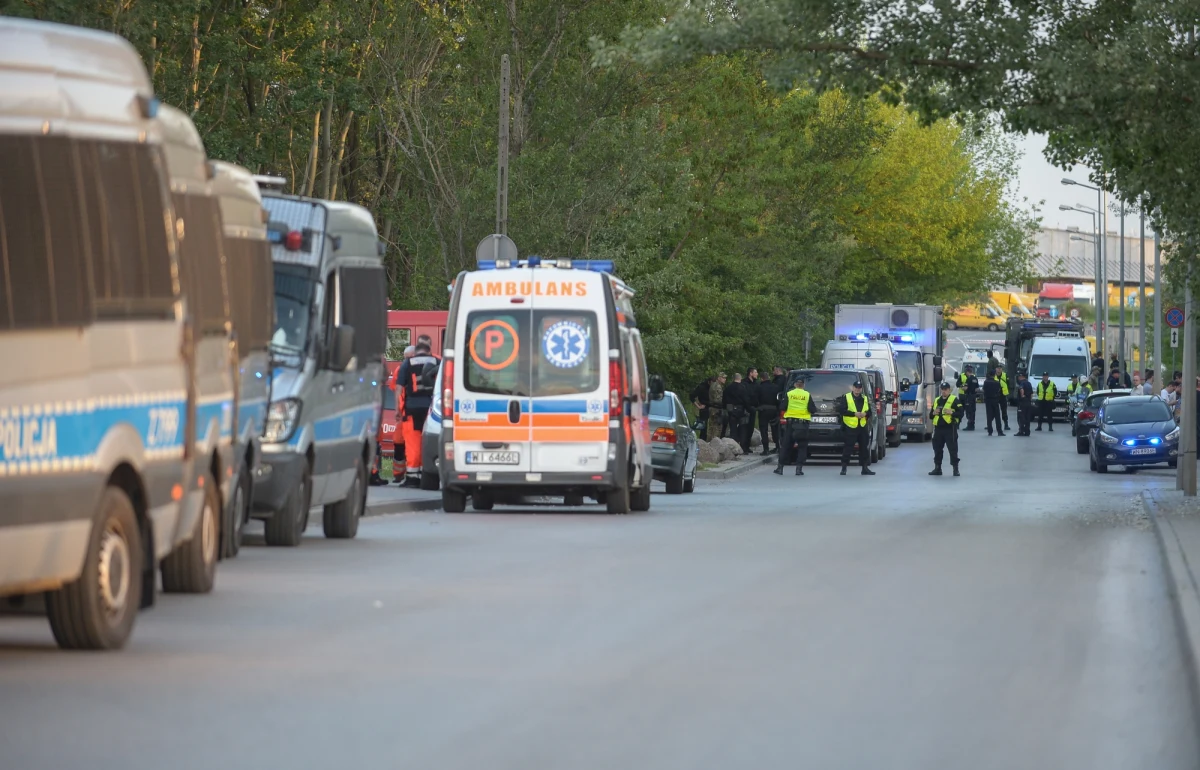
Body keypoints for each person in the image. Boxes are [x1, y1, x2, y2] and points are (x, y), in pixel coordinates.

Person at [396, 341, 439, 486]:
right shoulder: (437, 362)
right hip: (433, 410)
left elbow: (399, 387)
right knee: (429, 442)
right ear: (429, 350)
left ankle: (413, 478)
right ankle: (429, 476)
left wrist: (397, 409)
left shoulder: (407, 363)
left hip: (412, 408)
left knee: (413, 443)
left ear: (416, 351)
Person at [773, 375, 811, 476]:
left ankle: (780, 468)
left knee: (786, 446)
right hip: (802, 425)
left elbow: (782, 406)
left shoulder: (789, 394)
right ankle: (798, 469)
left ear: (795, 384)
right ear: (803, 385)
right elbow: (812, 409)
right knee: (802, 447)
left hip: (790, 425)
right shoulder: (807, 395)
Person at [838, 379, 875, 476]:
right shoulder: (846, 397)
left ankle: (864, 468)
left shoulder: (864, 398)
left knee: (864, 448)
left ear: (861, 389)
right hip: (850, 426)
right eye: (856, 388)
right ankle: (844, 467)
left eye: (859, 388)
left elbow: (870, 412)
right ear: (853, 388)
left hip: (862, 426)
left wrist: (865, 414)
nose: (857, 390)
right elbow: (842, 410)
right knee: (848, 448)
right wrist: (854, 414)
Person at [928, 381, 964, 476]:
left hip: (950, 429)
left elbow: (961, 413)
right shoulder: (937, 400)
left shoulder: (954, 400)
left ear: (949, 390)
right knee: (937, 449)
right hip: (938, 429)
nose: (943, 391)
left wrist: (952, 412)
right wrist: (933, 413)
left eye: (945, 390)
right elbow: (930, 415)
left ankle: (955, 469)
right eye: (942, 389)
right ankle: (937, 468)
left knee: (952, 449)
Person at [756, 368, 781, 454]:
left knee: (764, 430)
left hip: (763, 410)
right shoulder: (776, 387)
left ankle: (766, 449)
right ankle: (777, 446)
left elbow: (756, 399)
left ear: (762, 378)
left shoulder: (759, 387)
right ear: (768, 377)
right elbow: (779, 400)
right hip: (774, 410)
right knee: (775, 429)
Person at [725, 372, 751, 451]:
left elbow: (724, 399)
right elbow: (746, 400)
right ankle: (742, 447)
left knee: (733, 429)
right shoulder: (743, 387)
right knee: (743, 428)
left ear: (733, 378)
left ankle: (733, 447)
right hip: (741, 410)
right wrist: (749, 409)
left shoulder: (728, 387)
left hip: (731, 410)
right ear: (740, 378)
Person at [982, 370, 1005, 436]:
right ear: (994, 375)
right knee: (997, 416)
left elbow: (984, 390)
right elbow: (999, 391)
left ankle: (990, 431)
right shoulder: (997, 382)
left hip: (988, 400)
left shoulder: (986, 382)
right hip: (995, 400)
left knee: (989, 416)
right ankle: (999, 431)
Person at [690, 376, 713, 440]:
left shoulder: (713, 388)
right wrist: (698, 406)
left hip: (712, 408)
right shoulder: (702, 387)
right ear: (709, 382)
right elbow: (692, 396)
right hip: (704, 409)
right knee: (704, 428)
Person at [957, 365, 979, 430]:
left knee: (968, 411)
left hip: (967, 396)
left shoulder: (969, 378)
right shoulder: (974, 378)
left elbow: (965, 388)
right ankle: (971, 424)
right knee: (971, 410)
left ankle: (970, 425)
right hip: (968, 396)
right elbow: (977, 388)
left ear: (967, 371)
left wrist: (964, 387)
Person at [707, 372, 727, 440]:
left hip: (712, 408)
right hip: (716, 409)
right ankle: (715, 443)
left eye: (725, 378)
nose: (725, 379)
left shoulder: (713, 385)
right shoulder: (718, 387)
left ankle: (709, 443)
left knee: (711, 427)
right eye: (723, 378)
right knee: (717, 428)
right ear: (719, 378)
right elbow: (718, 400)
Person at [1015, 369, 1034, 436]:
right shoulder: (1029, 383)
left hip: (1022, 403)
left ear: (1021, 376)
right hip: (1028, 402)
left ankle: (1021, 431)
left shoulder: (1022, 383)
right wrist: (1029, 400)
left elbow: (1021, 389)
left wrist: (1022, 396)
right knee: (1027, 417)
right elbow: (1032, 393)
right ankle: (1027, 431)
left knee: (1021, 417)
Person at [995, 366, 1012, 431]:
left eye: (1000, 368)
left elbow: (1009, 384)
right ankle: (989, 425)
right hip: (995, 396)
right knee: (993, 411)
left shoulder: (1005, 375)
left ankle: (1006, 424)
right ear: (996, 369)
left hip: (1003, 396)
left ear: (1002, 369)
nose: (999, 370)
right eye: (997, 368)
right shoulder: (993, 375)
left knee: (1004, 411)